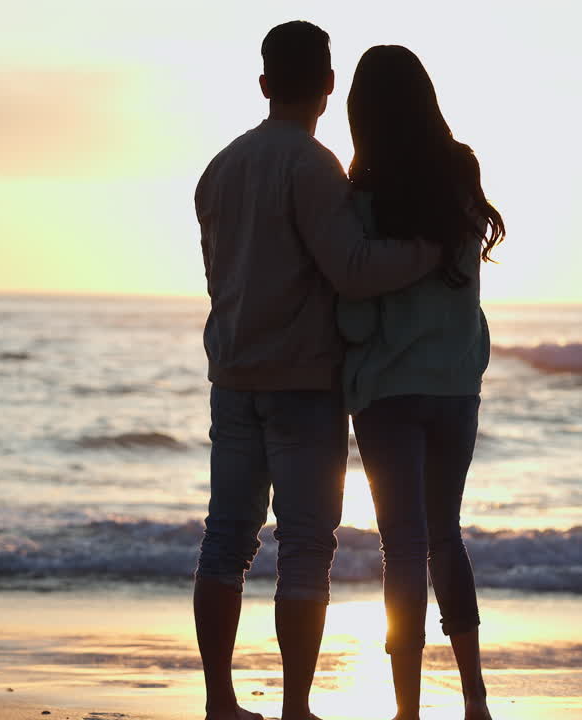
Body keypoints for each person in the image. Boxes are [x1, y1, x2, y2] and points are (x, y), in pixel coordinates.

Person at [192, 22, 439, 720]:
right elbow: (354, 272)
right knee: (304, 547)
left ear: (266, 84)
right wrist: (428, 252)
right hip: (302, 382)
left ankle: (220, 703)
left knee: (225, 540)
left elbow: (221, 277)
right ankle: (296, 708)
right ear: (329, 86)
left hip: (233, 376)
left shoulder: (220, 167)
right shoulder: (312, 165)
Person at [338, 45, 506, 720]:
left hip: (387, 389)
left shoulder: (365, 194)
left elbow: (353, 313)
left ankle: (405, 710)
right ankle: (475, 699)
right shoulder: (460, 173)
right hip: (455, 385)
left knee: (402, 548)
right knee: (445, 538)